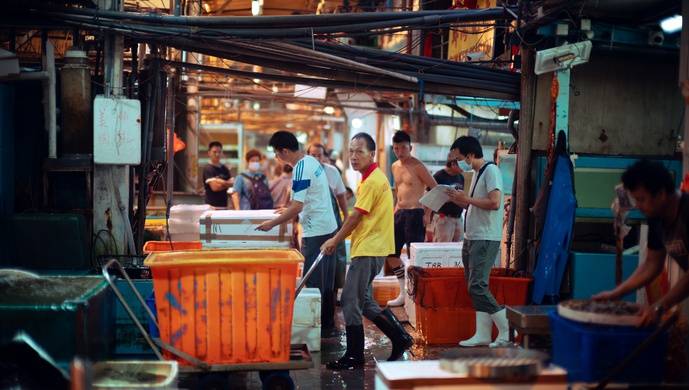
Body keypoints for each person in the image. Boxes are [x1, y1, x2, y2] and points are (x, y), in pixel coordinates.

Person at [321, 132, 413, 370]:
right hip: (371, 247)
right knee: (364, 300)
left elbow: (355, 217)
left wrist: (335, 239)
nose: (353, 156)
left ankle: (354, 356)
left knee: (350, 299)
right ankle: (401, 338)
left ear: (372, 154)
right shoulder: (369, 178)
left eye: (359, 151)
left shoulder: (372, 181)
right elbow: (360, 219)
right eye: (351, 151)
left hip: (369, 249)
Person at [257, 131, 338, 336]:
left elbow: (298, 206)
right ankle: (327, 326)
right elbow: (309, 197)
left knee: (313, 284)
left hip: (316, 231)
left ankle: (316, 331)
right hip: (328, 228)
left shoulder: (300, 169)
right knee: (326, 282)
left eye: (277, 154)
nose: (277, 158)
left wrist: (272, 224)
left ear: (285, 151)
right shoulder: (311, 161)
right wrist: (288, 208)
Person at [594, 160, 689, 326]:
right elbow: (652, 264)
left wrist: (661, 305)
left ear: (661, 194)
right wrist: (616, 293)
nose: (638, 206)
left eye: (641, 199)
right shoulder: (657, 218)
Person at [446, 136, 507, 347]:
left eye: (459, 158)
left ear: (470, 155)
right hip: (472, 236)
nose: (457, 163)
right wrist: (458, 200)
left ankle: (506, 328)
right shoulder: (477, 173)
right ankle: (482, 333)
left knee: (477, 286)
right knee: (476, 286)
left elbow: (495, 202)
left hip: (485, 236)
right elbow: (475, 205)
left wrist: (466, 200)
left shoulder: (491, 171)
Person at [386, 130, 437, 306]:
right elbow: (398, 191)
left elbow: (435, 188)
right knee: (390, 253)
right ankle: (403, 292)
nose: (400, 152)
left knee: (414, 257)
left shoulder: (418, 166)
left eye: (403, 148)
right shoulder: (394, 166)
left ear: (410, 147)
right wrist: (394, 211)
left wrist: (428, 213)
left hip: (416, 213)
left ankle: (414, 297)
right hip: (399, 213)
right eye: (396, 148)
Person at [307, 142, 349, 334]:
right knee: (313, 274)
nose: (316, 158)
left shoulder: (332, 172)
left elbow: (341, 198)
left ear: (325, 156)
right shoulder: (304, 172)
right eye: (313, 155)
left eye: (319, 155)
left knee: (332, 275)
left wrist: (346, 220)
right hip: (312, 230)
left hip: (332, 228)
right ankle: (313, 319)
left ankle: (328, 322)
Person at [431, 156, 465, 242]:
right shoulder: (439, 176)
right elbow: (429, 195)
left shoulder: (461, 177)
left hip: (458, 217)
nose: (464, 167)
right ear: (453, 164)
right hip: (443, 217)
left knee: (458, 248)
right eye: (461, 164)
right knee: (442, 247)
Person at [202, 141, 233, 208]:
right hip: (212, 206)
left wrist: (220, 181)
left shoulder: (224, 168)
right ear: (209, 153)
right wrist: (227, 183)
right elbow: (215, 188)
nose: (217, 154)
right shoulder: (208, 169)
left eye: (219, 152)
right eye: (214, 152)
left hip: (224, 205)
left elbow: (232, 183)